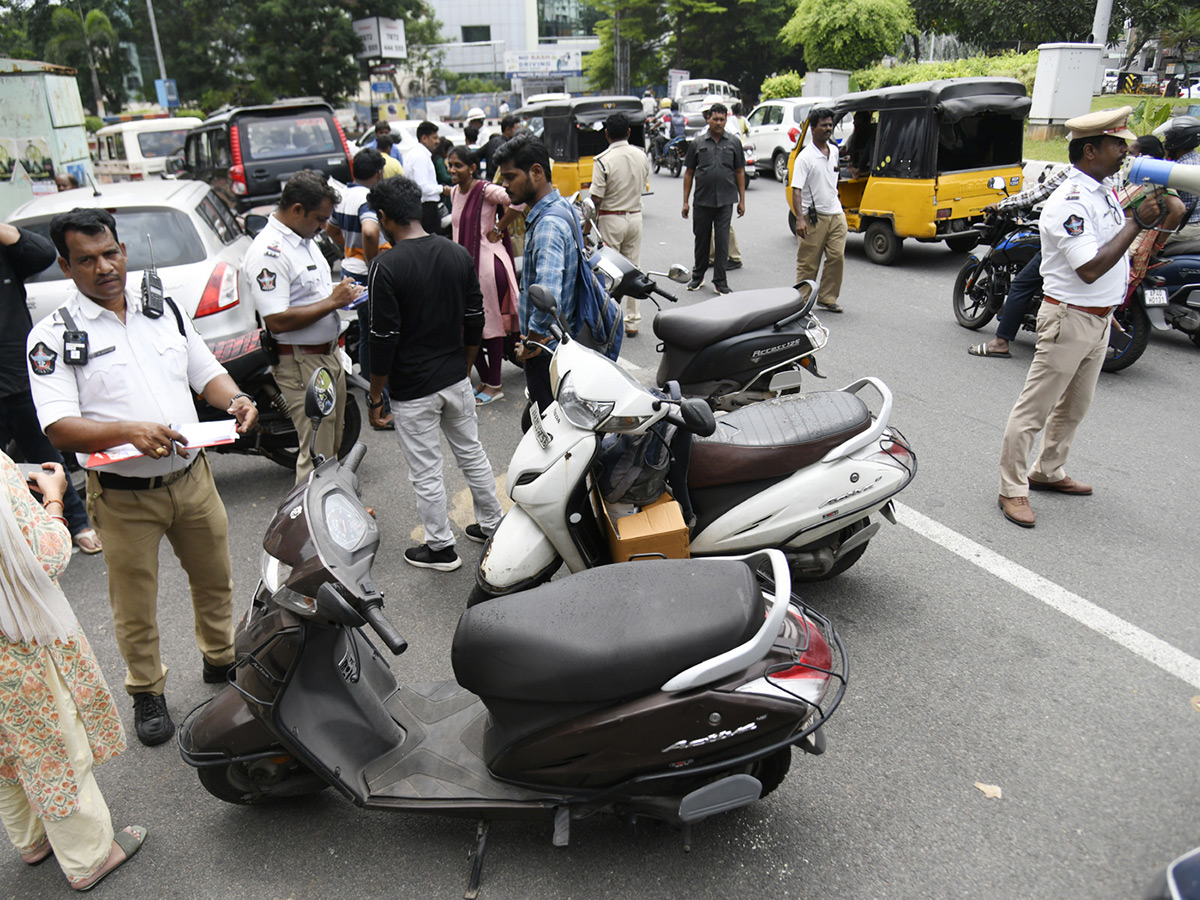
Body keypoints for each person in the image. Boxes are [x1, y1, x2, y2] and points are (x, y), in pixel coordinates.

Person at [26, 207, 259, 745]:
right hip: (124, 496)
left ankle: (220, 659)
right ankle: (146, 692)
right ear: (66, 266)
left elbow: (205, 373)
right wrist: (129, 430)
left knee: (215, 580)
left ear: (123, 252)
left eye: (110, 253)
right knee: (134, 605)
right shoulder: (53, 337)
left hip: (193, 478)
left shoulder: (165, 310)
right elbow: (59, 427)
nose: (103, 267)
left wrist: (238, 398)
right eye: (86, 260)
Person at [997, 107, 1158, 528]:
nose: (1125, 150)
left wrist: (1111, 309)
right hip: (1069, 318)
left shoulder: (1102, 190)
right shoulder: (1068, 202)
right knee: (1034, 410)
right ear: (1091, 150)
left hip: (1098, 318)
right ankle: (1012, 488)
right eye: (1116, 143)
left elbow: (1112, 254)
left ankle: (1047, 471)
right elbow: (1089, 267)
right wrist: (1137, 223)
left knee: (1075, 407)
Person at [0, 452, 147, 891]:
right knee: (55, 749)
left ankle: (31, 840)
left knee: (6, 750)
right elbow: (45, 558)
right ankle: (89, 858)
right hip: (19, 643)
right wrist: (53, 498)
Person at [364, 176, 504, 572]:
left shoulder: (385, 266)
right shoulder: (456, 253)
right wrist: (464, 365)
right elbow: (474, 317)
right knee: (471, 452)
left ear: (384, 216)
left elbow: (383, 337)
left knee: (426, 470)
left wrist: (376, 396)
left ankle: (441, 547)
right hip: (455, 377)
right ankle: (493, 525)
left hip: (412, 388)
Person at [243, 171, 364, 483]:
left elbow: (311, 293)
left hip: (325, 357)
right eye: (319, 219)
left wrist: (341, 294)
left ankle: (335, 512)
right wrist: (332, 302)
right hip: (301, 361)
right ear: (297, 209)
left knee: (331, 445)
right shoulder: (270, 251)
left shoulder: (303, 238)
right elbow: (277, 319)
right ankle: (310, 527)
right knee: (315, 455)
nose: (324, 226)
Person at [0, 222, 101, 554]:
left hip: (17, 378)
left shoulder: (7, 251)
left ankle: (78, 524)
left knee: (46, 456)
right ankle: (11, 542)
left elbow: (41, 253)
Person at [495, 133, 583, 414]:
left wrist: (530, 343)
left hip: (548, 351)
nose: (505, 185)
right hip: (563, 343)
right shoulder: (562, 207)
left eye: (510, 177)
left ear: (536, 172)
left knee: (554, 431)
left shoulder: (547, 226)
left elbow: (548, 296)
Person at [447, 145, 522, 404]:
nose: (452, 169)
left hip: (488, 266)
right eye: (450, 165)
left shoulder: (486, 190)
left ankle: (495, 384)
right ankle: (486, 378)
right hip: (465, 267)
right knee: (468, 325)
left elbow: (519, 199)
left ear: (472, 168)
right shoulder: (455, 192)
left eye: (458, 165)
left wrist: (499, 228)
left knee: (490, 324)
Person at [326, 148, 393, 430]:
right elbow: (369, 231)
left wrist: (348, 250)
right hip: (367, 276)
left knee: (367, 337)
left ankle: (372, 394)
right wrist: (371, 260)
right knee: (380, 336)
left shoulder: (343, 197)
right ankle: (384, 403)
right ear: (378, 173)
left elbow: (331, 229)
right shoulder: (368, 199)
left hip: (349, 271)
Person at [590, 112, 650, 336]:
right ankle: (633, 322)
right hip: (635, 216)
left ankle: (609, 317)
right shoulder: (641, 155)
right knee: (634, 269)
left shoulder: (603, 160)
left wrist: (588, 226)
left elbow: (596, 199)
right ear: (628, 132)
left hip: (610, 218)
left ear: (607, 134)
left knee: (609, 272)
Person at [682, 101, 745, 295]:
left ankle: (720, 281)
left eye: (722, 119)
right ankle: (698, 276)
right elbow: (689, 173)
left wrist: (742, 200)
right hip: (702, 201)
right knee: (701, 239)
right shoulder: (697, 143)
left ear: (727, 120)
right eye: (715, 119)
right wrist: (685, 201)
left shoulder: (734, 142)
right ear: (708, 119)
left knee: (722, 240)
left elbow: (740, 171)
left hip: (726, 201)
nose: (718, 123)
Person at [791, 106, 847, 314]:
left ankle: (827, 297)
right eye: (823, 125)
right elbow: (796, 190)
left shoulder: (833, 151)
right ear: (812, 128)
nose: (828, 129)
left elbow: (834, 178)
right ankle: (801, 300)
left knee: (837, 256)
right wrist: (800, 219)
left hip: (835, 213)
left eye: (830, 125)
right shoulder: (804, 158)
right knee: (809, 261)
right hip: (813, 217)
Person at [401, 121, 452, 235]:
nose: (438, 141)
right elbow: (422, 187)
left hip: (420, 207)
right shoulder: (420, 157)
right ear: (424, 138)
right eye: (434, 138)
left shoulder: (414, 153)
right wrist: (442, 189)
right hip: (426, 208)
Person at [1162, 117, 1200, 245]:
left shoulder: (1180, 169)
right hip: (1194, 223)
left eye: (1168, 137)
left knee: (1135, 245)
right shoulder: (1195, 159)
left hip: (1186, 228)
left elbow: (1165, 204)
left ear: (1178, 140)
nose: (1165, 141)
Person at [479, 115, 518, 179]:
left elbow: (477, 155)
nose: (517, 133)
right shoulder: (507, 146)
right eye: (516, 130)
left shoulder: (493, 141)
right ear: (508, 129)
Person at [843, 111, 876, 178]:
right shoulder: (872, 131)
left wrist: (858, 168)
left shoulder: (861, 132)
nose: (854, 123)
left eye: (856, 120)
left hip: (861, 168)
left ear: (862, 120)